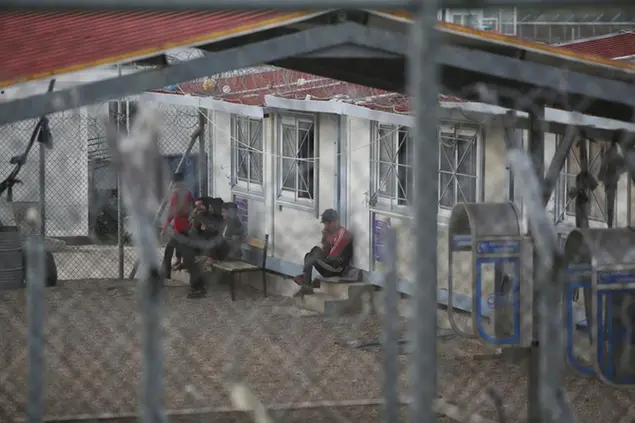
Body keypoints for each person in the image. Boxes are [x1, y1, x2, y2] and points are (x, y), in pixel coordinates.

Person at [293, 208, 353, 297]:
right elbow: (326, 253)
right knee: (310, 255)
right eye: (325, 224)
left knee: (313, 255)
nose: (325, 227)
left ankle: (306, 284)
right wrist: (324, 241)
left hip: (338, 269)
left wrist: (319, 255)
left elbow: (332, 257)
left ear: (335, 222)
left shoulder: (343, 234)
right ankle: (306, 283)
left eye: (327, 224)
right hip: (330, 265)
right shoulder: (331, 233)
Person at [160, 172, 194, 275]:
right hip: (187, 226)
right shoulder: (188, 192)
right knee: (182, 246)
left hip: (180, 226)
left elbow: (172, 211)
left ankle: (165, 273)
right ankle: (181, 262)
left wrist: (164, 227)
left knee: (169, 250)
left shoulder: (176, 194)